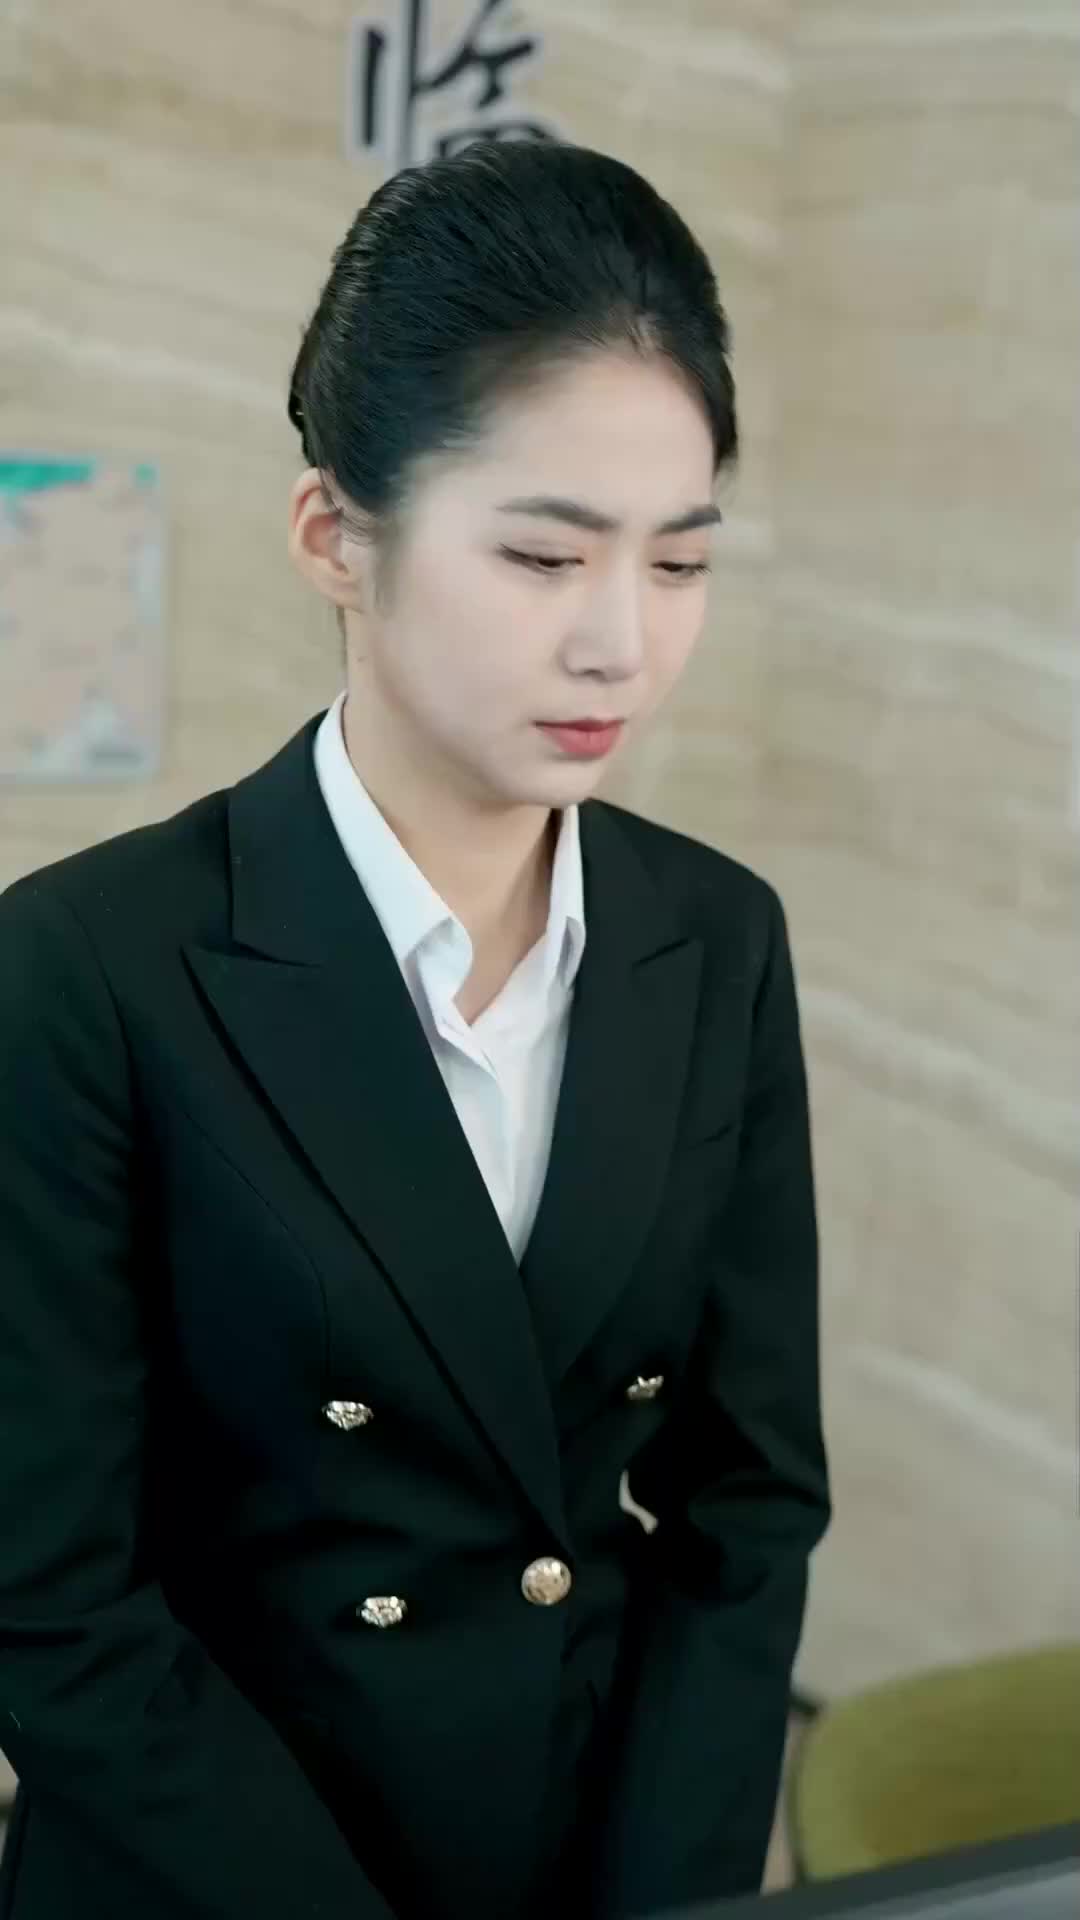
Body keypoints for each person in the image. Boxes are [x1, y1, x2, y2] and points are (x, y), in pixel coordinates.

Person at [0, 139, 830, 1920]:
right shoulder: (87, 964)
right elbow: (49, 1599)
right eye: (542, 555)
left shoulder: (717, 939)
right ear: (336, 536)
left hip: (587, 1857)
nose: (621, 644)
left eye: (679, 563)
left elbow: (747, 1508)